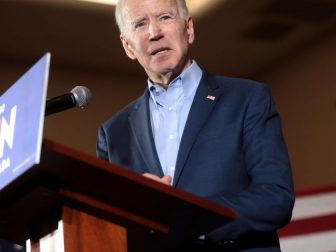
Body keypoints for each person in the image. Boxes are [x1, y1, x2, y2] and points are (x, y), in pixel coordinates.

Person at [96, 0, 295, 251]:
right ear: (128, 46)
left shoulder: (247, 98)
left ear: (189, 29)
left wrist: (188, 219)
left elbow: (275, 198)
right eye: (140, 24)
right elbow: (105, 226)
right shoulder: (113, 133)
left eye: (165, 18)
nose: (154, 32)